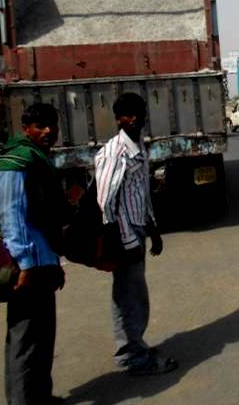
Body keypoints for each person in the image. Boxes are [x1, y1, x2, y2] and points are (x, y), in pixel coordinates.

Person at [0, 102, 71, 405]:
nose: (48, 131)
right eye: (40, 126)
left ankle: (40, 396)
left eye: (52, 124)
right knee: (24, 340)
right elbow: (9, 214)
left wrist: (54, 263)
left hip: (43, 261)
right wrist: (25, 264)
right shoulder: (17, 161)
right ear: (26, 129)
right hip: (27, 267)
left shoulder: (38, 158)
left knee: (43, 337)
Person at [94, 93, 177, 376]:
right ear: (118, 119)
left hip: (138, 231)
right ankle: (135, 357)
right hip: (124, 236)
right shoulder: (114, 152)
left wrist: (154, 231)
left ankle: (132, 346)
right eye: (129, 114)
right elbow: (105, 202)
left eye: (139, 112)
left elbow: (141, 193)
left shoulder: (138, 146)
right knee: (130, 297)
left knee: (129, 295)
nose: (136, 118)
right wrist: (120, 242)